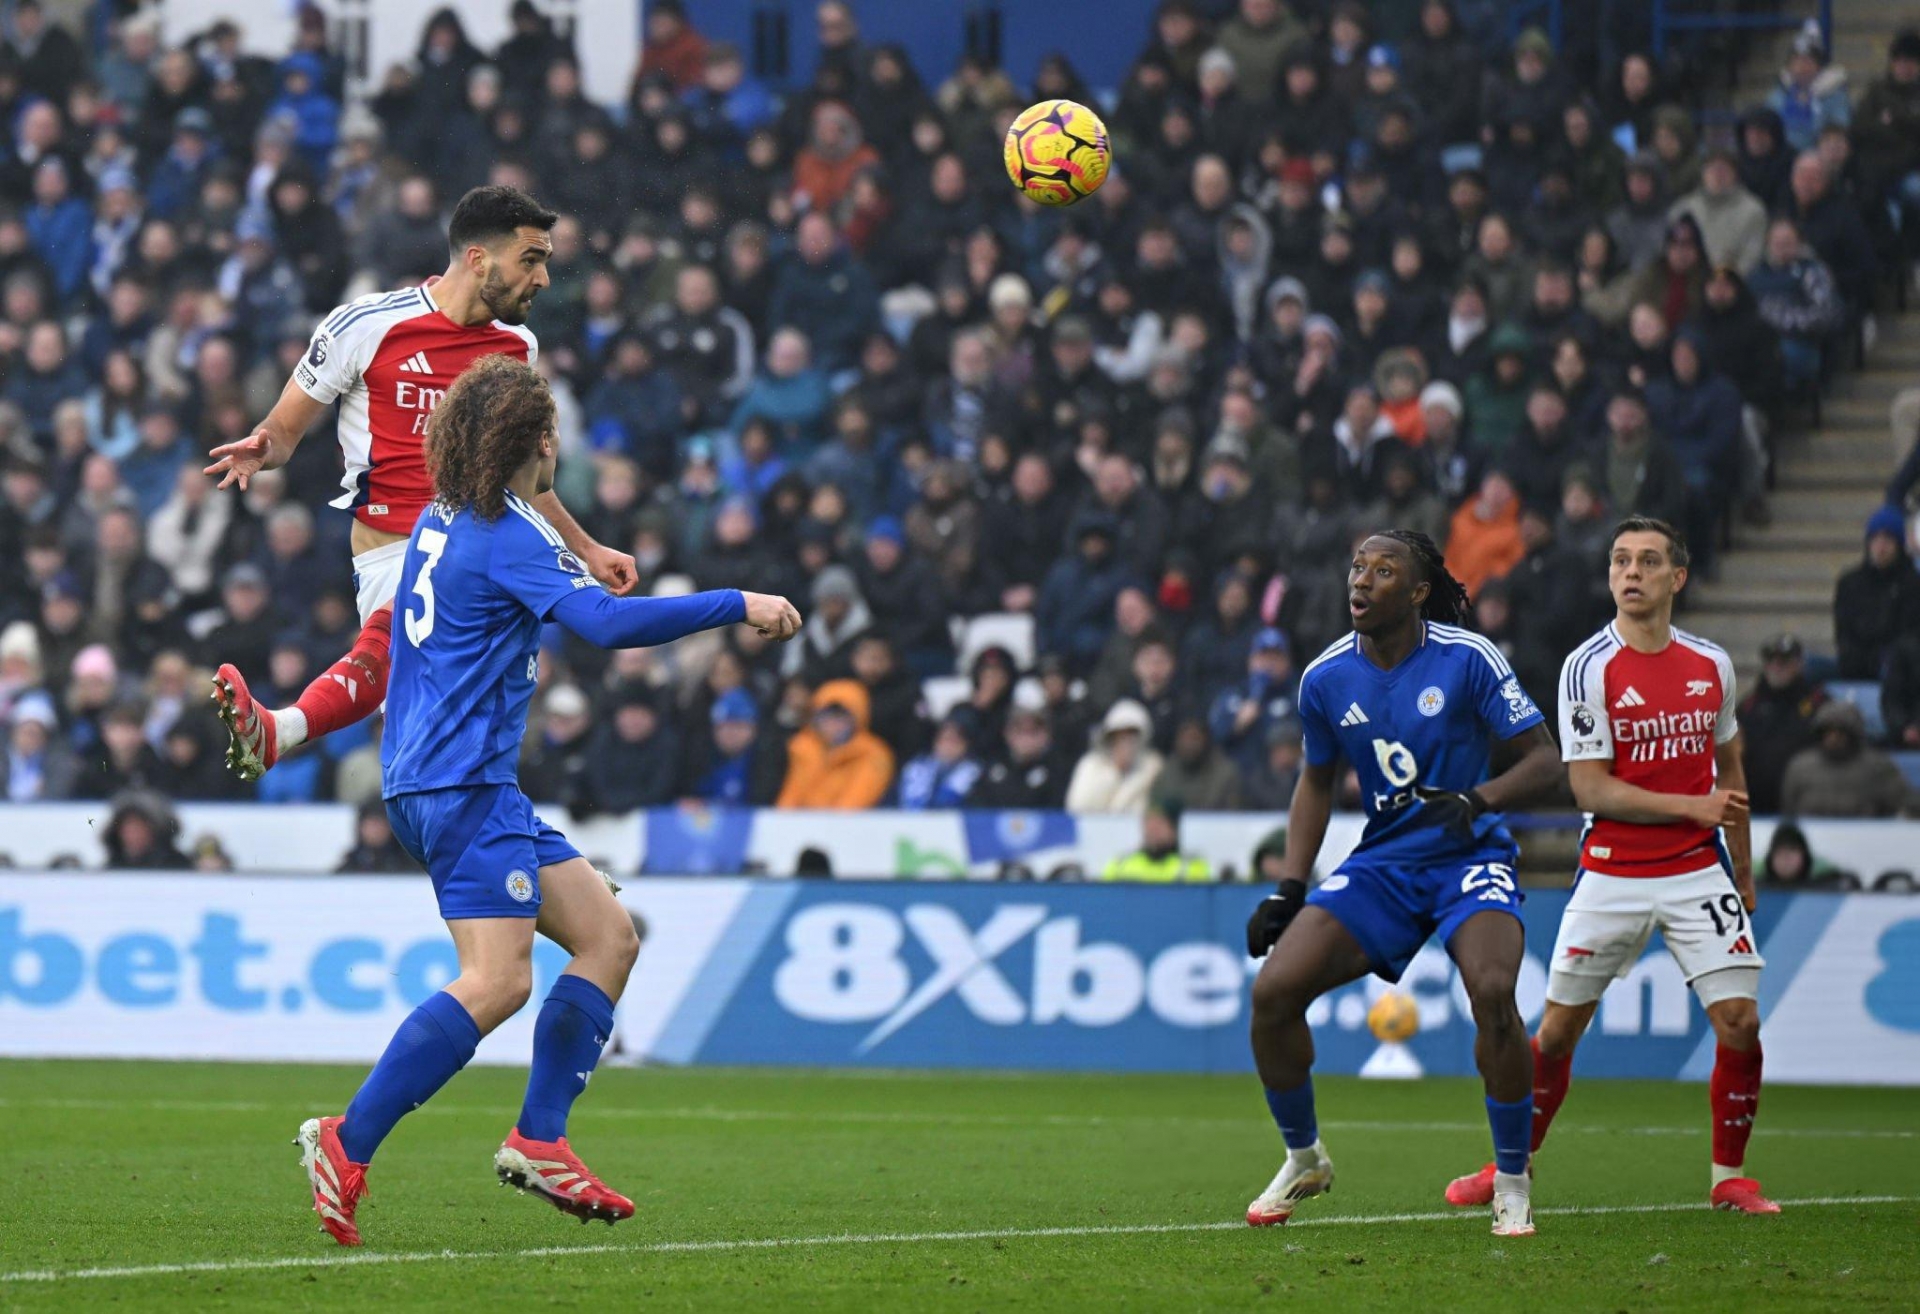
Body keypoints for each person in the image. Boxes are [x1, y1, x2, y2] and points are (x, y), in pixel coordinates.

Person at [295, 354, 799, 1247]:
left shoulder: (447, 519)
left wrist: (586, 549)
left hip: (455, 777)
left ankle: (541, 1137)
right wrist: (737, 602)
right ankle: (347, 1139)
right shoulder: (505, 532)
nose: (558, 442)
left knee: (608, 936)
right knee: (499, 981)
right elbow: (603, 628)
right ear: (532, 442)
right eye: (551, 430)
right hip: (459, 782)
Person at [209, 186, 640, 784]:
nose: (543, 279)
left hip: (485, 545)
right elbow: (282, 432)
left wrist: (587, 550)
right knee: (408, 651)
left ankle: (546, 869)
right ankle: (281, 731)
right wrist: (264, 447)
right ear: (478, 260)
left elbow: (530, 483)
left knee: (469, 750)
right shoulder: (365, 326)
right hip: (394, 548)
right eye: (531, 260)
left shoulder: (519, 348)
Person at [1443, 516, 1776, 1217]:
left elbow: (1731, 766)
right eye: (1621, 561)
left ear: (1676, 578)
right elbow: (1590, 788)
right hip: (1613, 870)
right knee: (1559, 1031)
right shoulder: (1587, 666)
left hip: (1697, 872)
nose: (1631, 574)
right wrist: (1692, 808)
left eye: (1648, 562)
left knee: (1741, 1022)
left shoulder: (1711, 664)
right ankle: (1509, 1167)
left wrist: (1740, 869)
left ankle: (1728, 1178)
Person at [1244, 529, 1560, 1236]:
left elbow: (1547, 765)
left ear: (1418, 593)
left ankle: (1511, 1178)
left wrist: (1476, 801)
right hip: (1383, 863)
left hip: (1468, 856)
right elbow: (1316, 781)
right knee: (1272, 994)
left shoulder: (1467, 658)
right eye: (1357, 566)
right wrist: (1290, 889)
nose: (1361, 580)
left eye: (1383, 571)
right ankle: (1305, 1158)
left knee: (1492, 991)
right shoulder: (1325, 678)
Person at [1737, 634, 1828, 815]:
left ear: (1799, 664)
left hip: (1806, 803)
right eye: (1771, 660)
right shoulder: (1748, 706)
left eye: (1784, 661)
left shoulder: (1818, 704)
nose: (1776, 666)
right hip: (1755, 805)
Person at [1780, 700, 1916, 818]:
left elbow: (1907, 803)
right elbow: (1788, 814)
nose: (1833, 739)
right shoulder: (1800, 768)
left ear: (1853, 734)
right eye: (1828, 732)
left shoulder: (1878, 768)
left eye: (1840, 732)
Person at [776, 678, 896, 809]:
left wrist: (824, 826)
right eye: (827, 716)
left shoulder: (874, 754)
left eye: (841, 717)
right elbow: (791, 795)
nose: (832, 724)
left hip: (849, 825)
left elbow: (856, 802)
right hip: (803, 823)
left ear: (857, 719)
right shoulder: (802, 747)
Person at [1834, 505, 1920, 680]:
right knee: (1805, 664)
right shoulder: (1849, 583)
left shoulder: (1912, 584)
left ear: (1899, 544)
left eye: (1888, 539)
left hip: (1895, 664)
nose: (1881, 546)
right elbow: (1843, 633)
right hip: (1855, 662)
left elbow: (1909, 634)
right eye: (1875, 538)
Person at [1100, 796, 1213, 882]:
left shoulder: (1191, 867)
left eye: (1160, 823)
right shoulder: (1120, 865)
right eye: (1149, 822)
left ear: (1174, 829)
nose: (1152, 829)